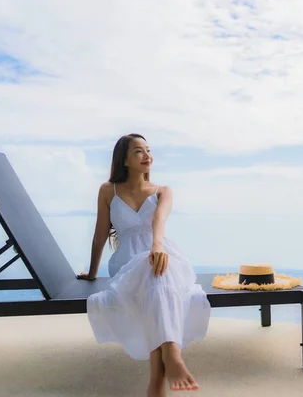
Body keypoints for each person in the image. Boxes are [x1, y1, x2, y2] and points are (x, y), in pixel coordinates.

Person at [77, 133, 211, 396]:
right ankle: (170, 359)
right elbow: (100, 236)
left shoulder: (163, 191)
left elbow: (158, 221)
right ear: (124, 159)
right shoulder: (108, 191)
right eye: (139, 151)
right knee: (152, 280)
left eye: (148, 150)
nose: (147, 155)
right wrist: (92, 273)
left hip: (162, 256)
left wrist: (157, 246)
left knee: (156, 274)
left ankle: (156, 382)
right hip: (127, 265)